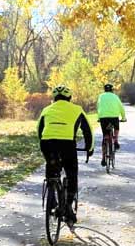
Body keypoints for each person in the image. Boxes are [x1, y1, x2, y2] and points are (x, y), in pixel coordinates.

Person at [37, 85, 94, 226]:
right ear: (70, 98)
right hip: (67, 144)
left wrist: (43, 145)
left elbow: (39, 129)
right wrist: (89, 148)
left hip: (47, 143)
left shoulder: (46, 109)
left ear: (54, 98)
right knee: (71, 173)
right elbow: (88, 131)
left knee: (52, 168)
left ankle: (52, 195)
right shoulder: (77, 109)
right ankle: (68, 205)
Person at [96, 82, 126, 165]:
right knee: (116, 128)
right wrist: (123, 118)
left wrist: (99, 118)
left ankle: (103, 158)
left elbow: (98, 107)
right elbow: (121, 107)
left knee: (105, 136)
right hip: (114, 117)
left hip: (103, 118)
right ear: (112, 90)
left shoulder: (101, 96)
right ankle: (115, 140)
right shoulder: (115, 96)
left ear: (104, 90)